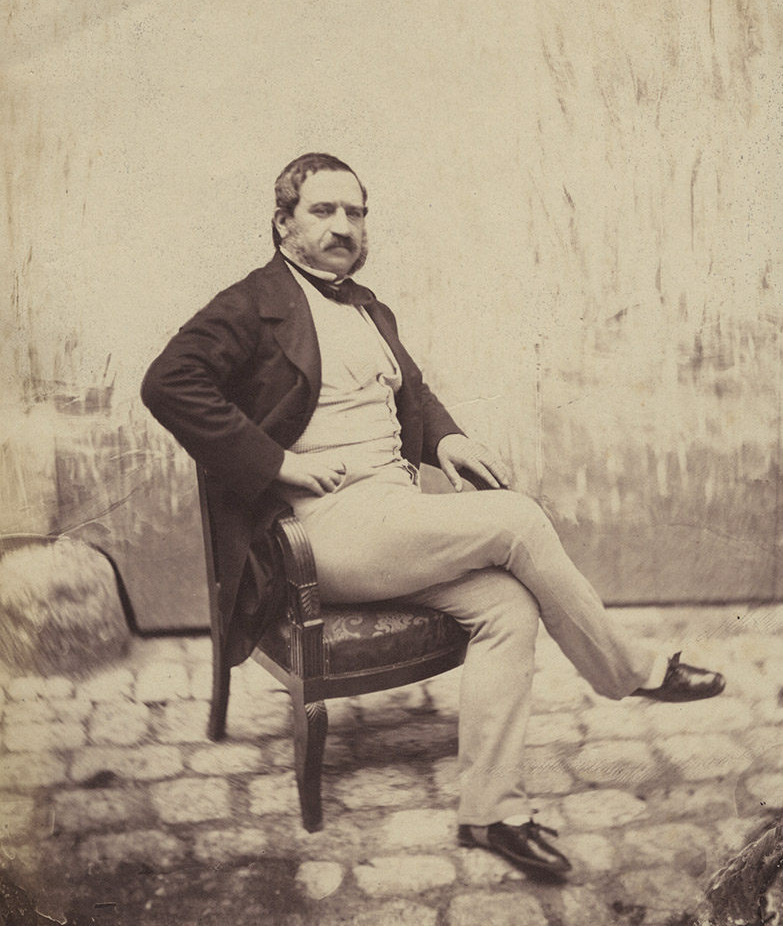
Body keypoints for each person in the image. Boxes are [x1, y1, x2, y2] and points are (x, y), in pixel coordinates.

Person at [141, 153, 726, 878]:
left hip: (393, 520)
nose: (342, 227)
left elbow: (410, 395)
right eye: (323, 212)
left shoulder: (365, 307)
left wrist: (446, 439)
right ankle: (631, 672)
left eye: (354, 213)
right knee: (514, 520)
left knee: (508, 606)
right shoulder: (248, 305)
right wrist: (275, 464)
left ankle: (491, 813)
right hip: (320, 534)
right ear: (282, 222)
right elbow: (168, 384)